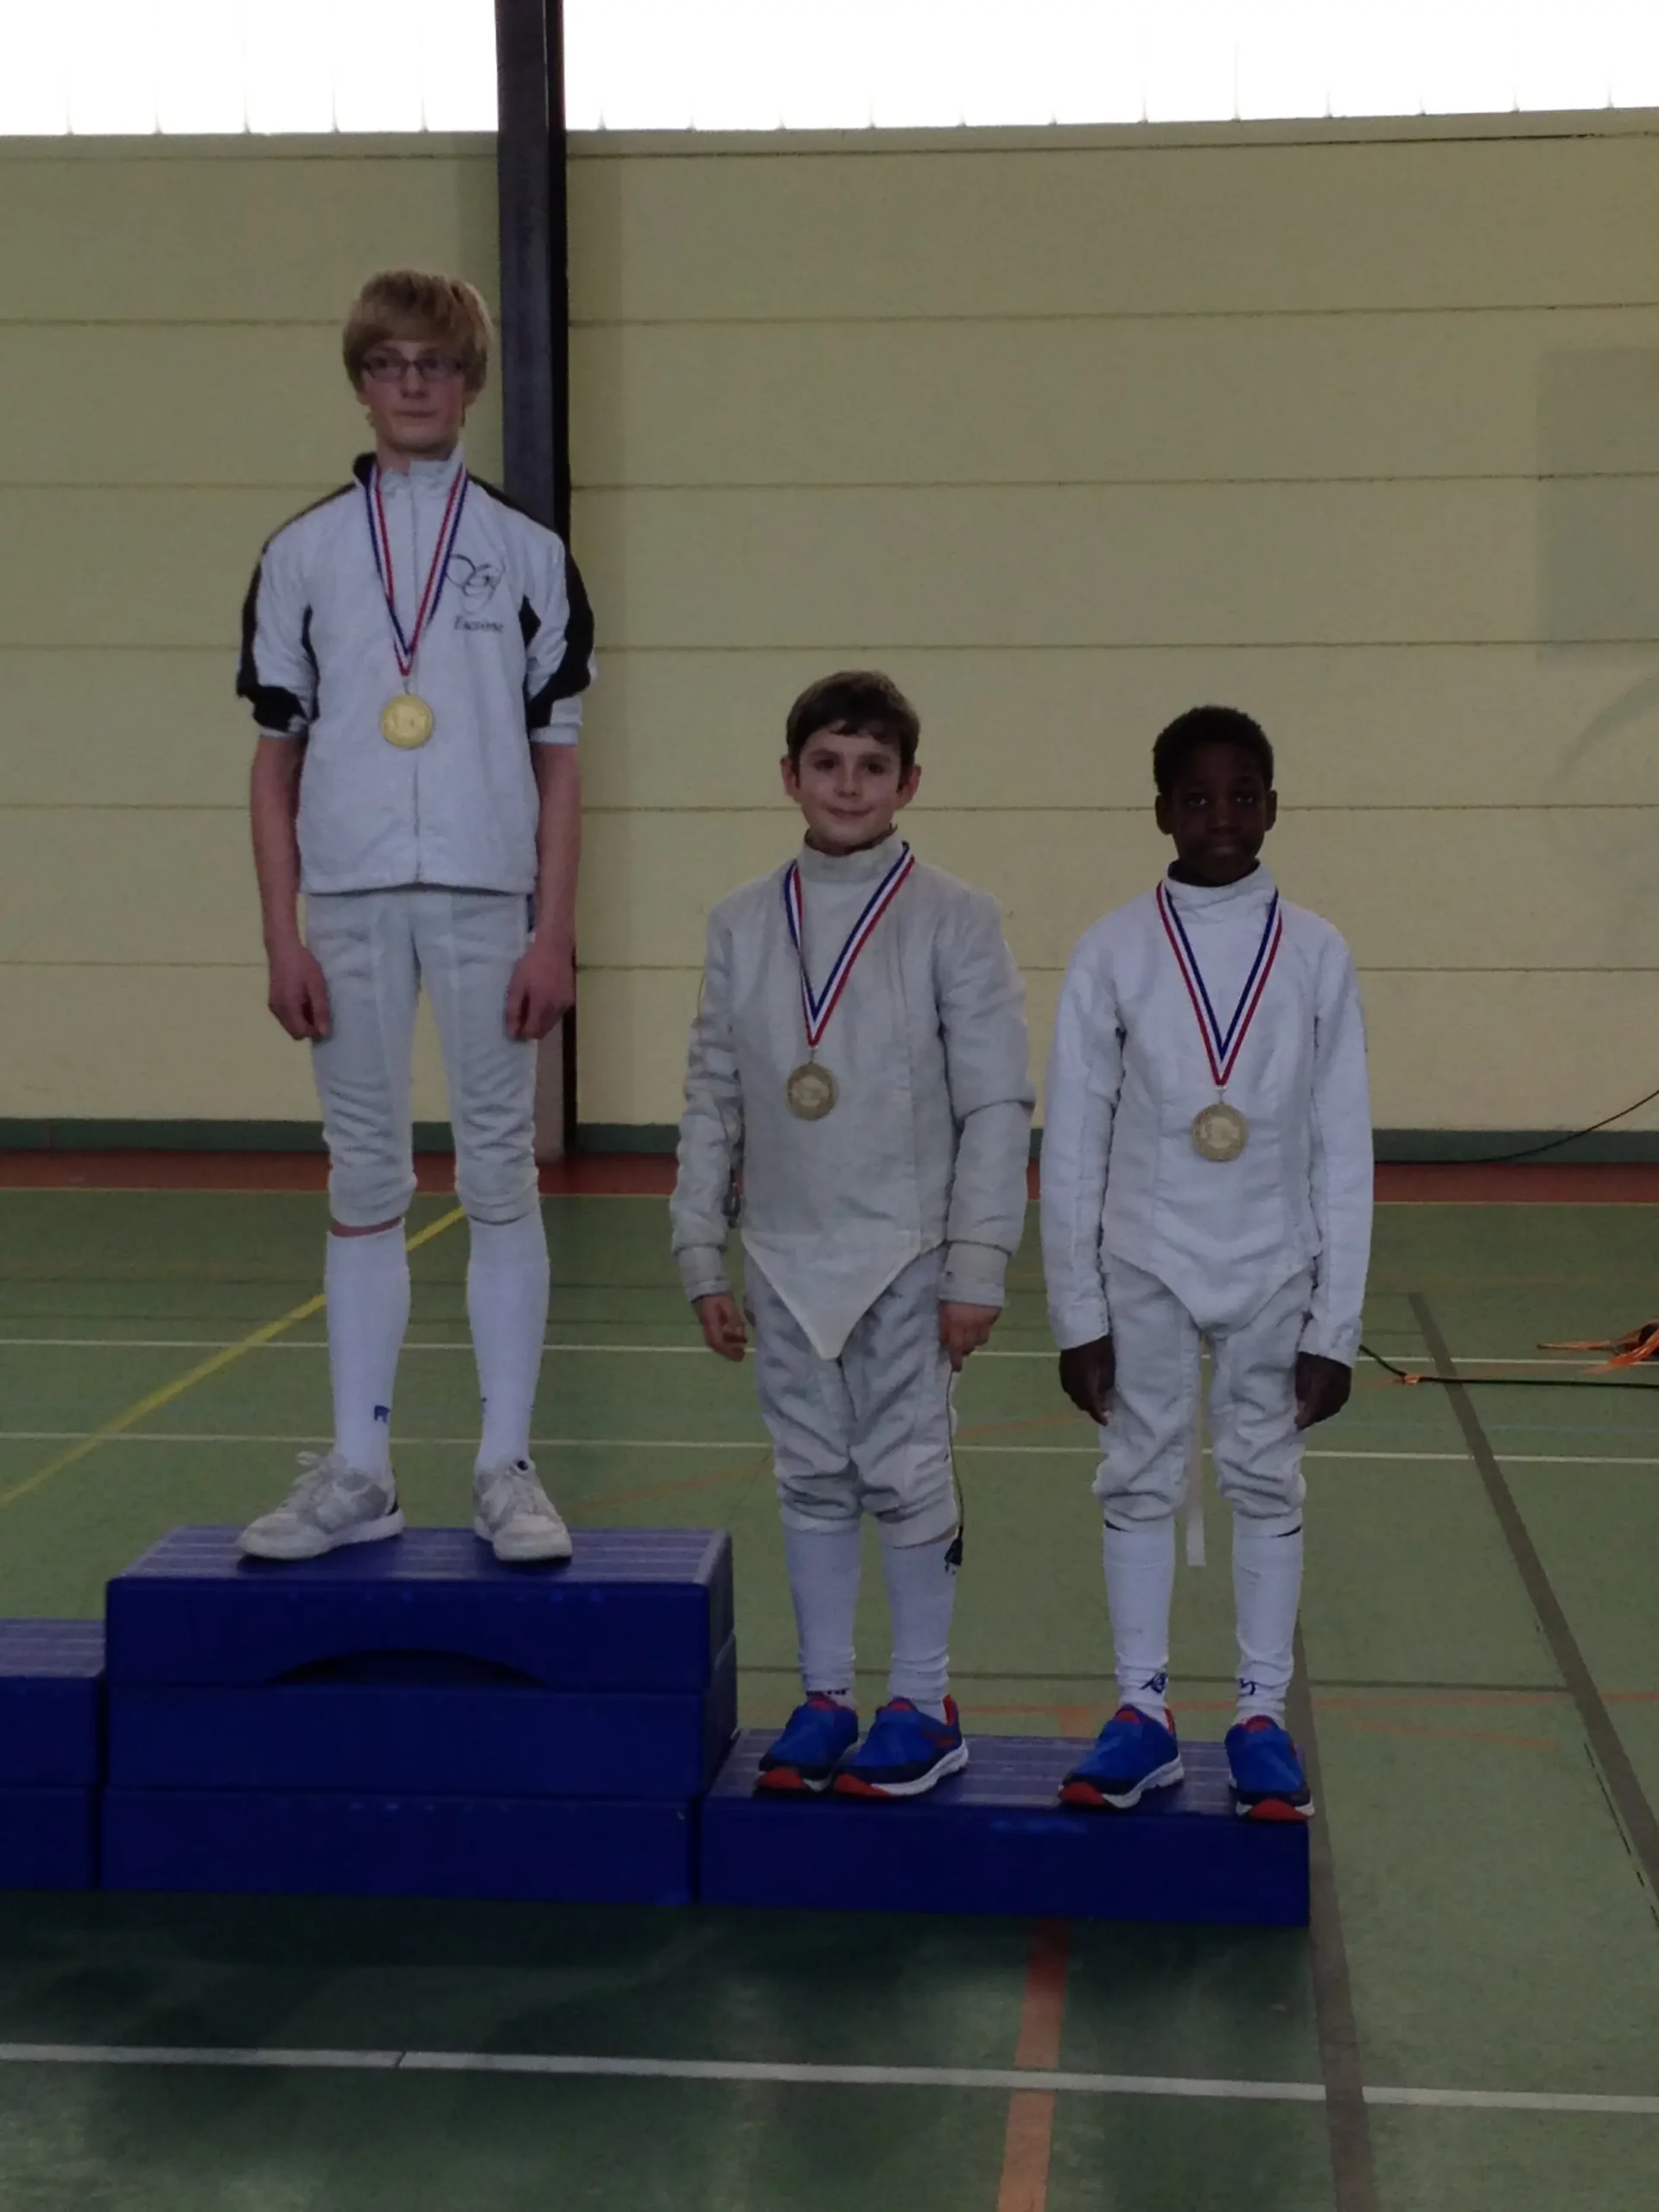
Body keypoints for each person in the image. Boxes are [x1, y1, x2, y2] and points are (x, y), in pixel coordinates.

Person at [235, 269, 594, 1564]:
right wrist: (282, 934)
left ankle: (506, 1467)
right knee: (365, 1176)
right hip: (346, 899)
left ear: (471, 382)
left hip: (492, 900)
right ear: (361, 382)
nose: (412, 385)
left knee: (500, 1172)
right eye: (388, 364)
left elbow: (560, 759)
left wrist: (553, 931)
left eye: (435, 364)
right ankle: (362, 1468)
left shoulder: (530, 555)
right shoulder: (304, 554)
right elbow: (274, 764)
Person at [672, 672, 1033, 1798]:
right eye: (826, 764)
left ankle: (923, 1704)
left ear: (909, 783)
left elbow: (996, 1104)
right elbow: (713, 1094)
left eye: (873, 767)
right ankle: (826, 1696)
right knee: (811, 1474)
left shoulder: (956, 918)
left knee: (908, 1470)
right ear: (790, 776)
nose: (848, 785)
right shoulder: (741, 922)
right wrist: (699, 1248)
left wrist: (978, 1264)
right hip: (784, 1253)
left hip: (908, 1252)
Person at [1040, 705, 1370, 1820]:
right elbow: (1074, 1141)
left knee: (1265, 1476)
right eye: (1196, 798)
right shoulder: (1113, 950)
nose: (1221, 816)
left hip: (1277, 1261)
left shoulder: (1317, 952)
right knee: (1138, 1472)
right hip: (1145, 1255)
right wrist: (1077, 1313)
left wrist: (1334, 1326)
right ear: (1161, 813)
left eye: (1242, 796)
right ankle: (1141, 1713)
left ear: (1274, 806)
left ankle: (1260, 1716)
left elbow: (1343, 1145)